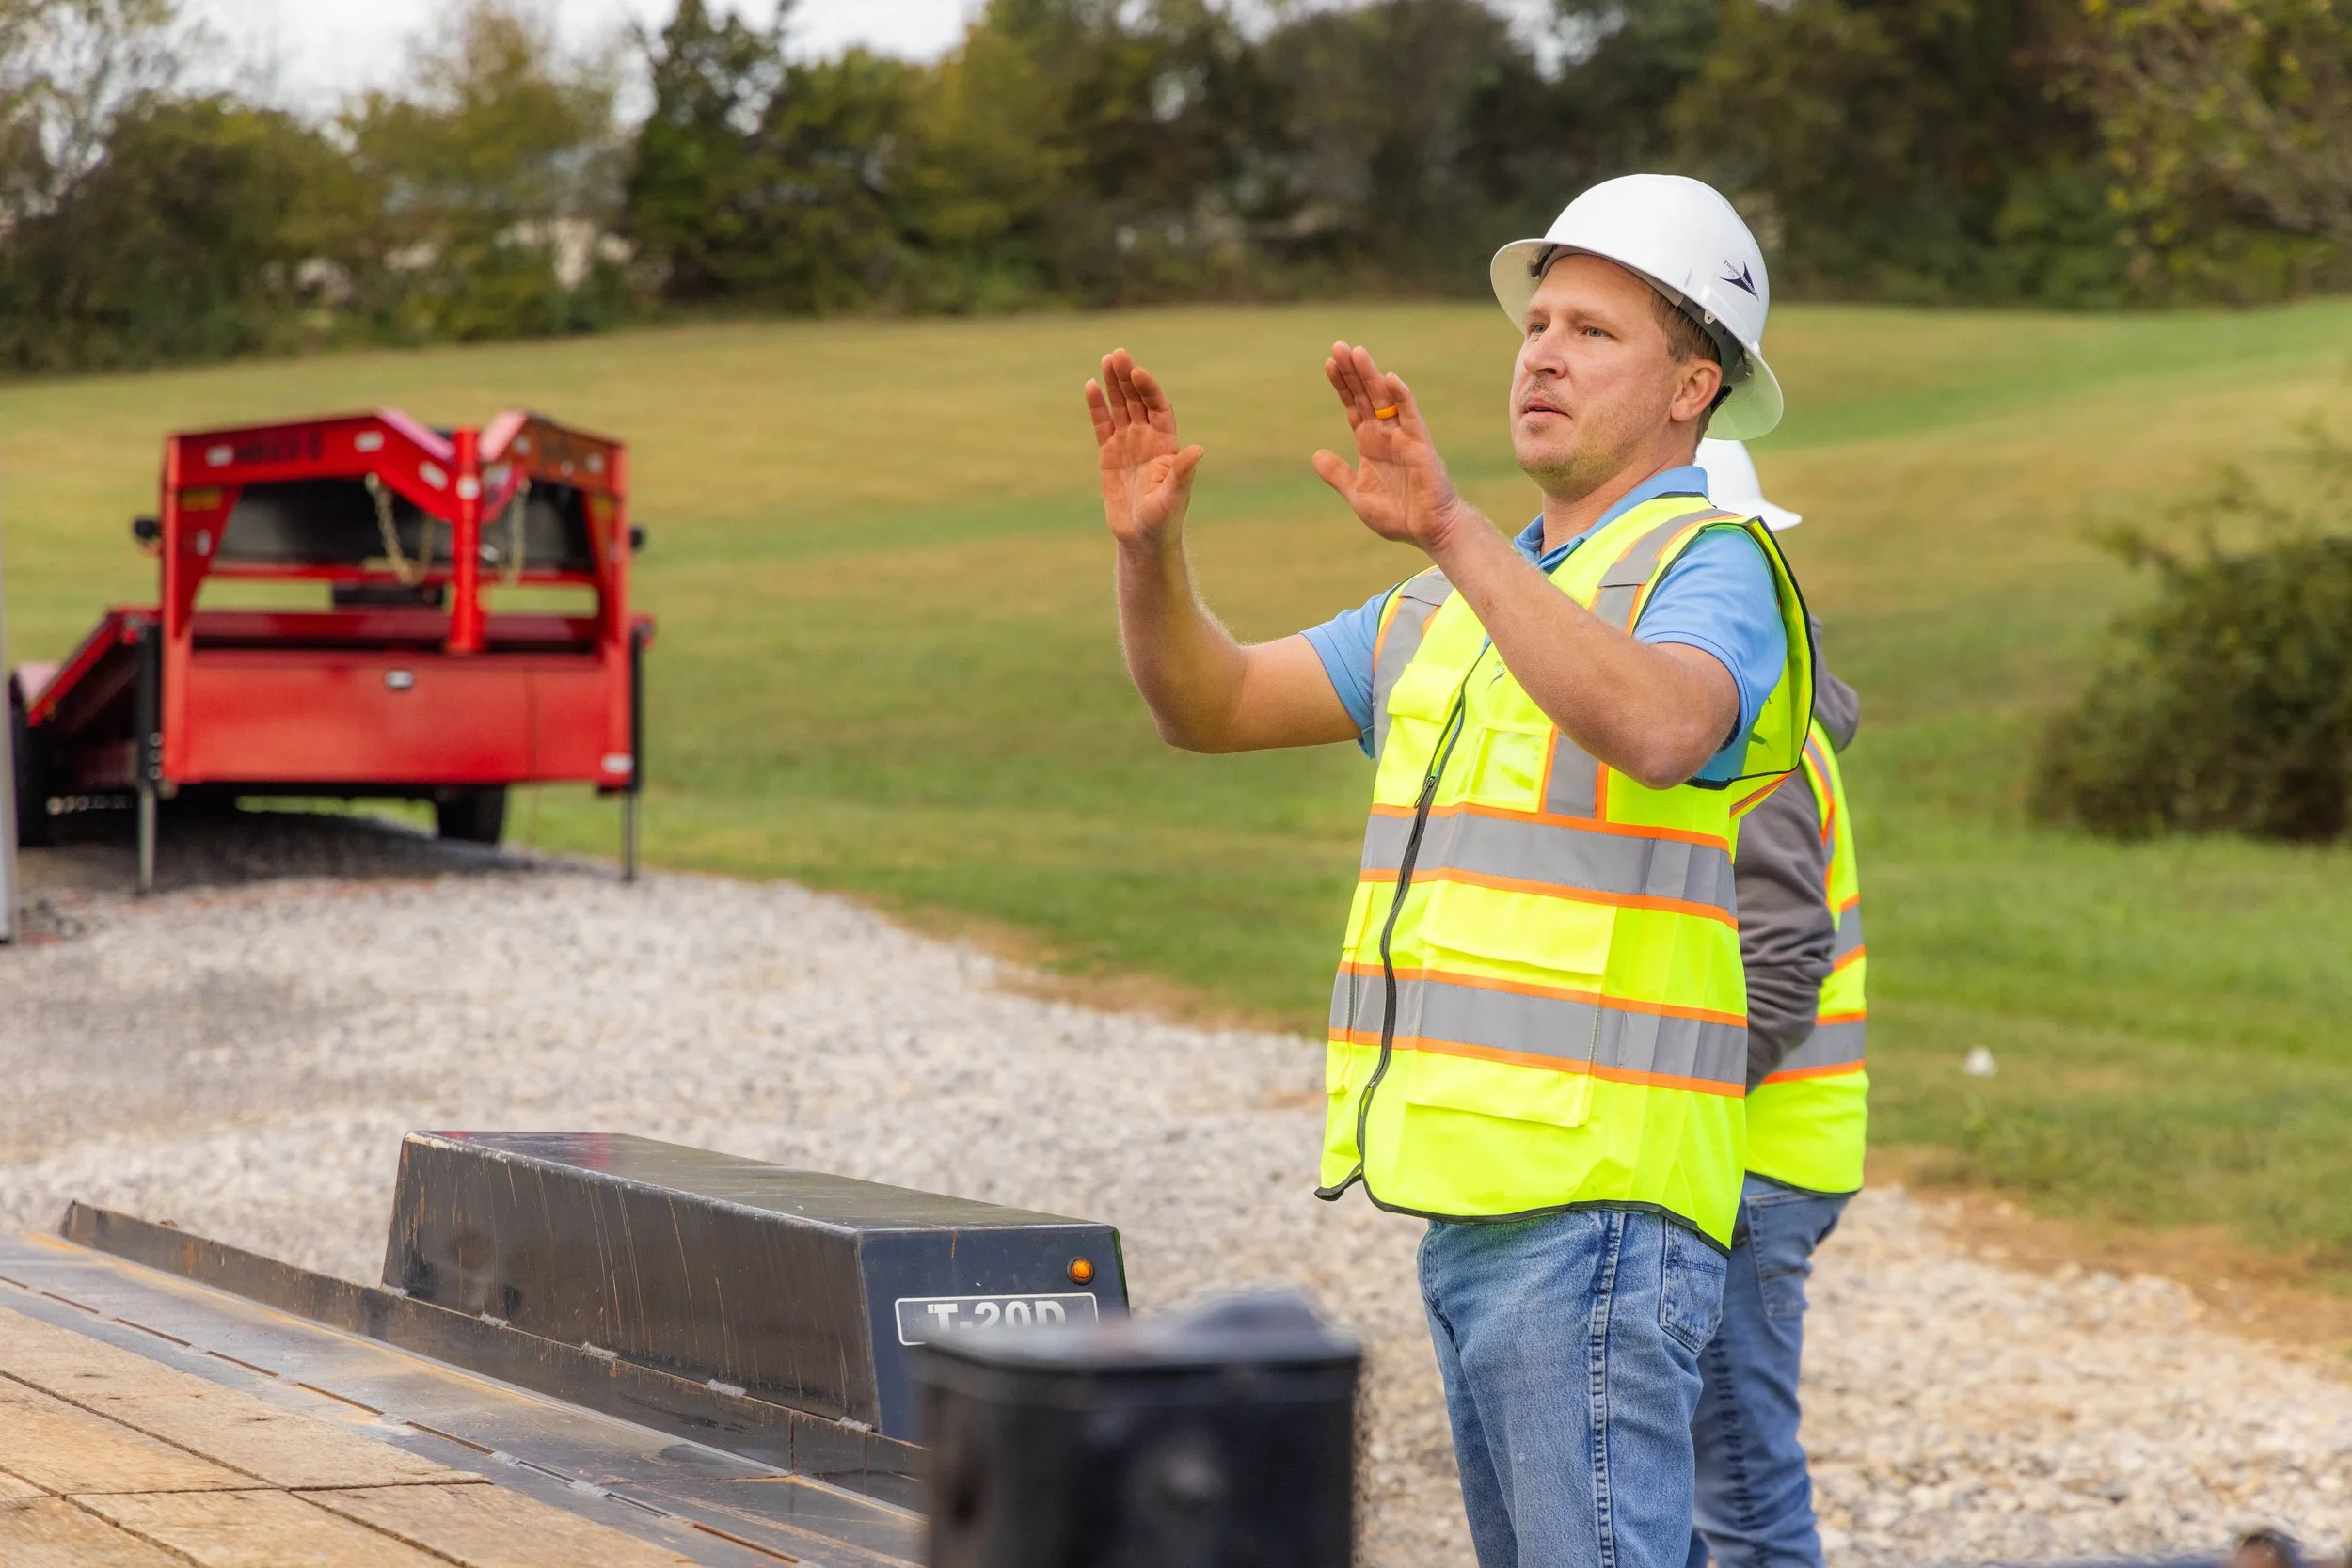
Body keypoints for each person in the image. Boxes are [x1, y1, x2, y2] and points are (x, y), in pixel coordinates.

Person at [1085, 173, 1814, 1568]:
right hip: (1478, 1205)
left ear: (1693, 386)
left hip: (1601, 1200)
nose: (1543, 353)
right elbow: (1210, 704)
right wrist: (1149, 553)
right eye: (1537, 324)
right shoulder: (1445, 605)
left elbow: (1663, 725)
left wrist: (1452, 527)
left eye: (1593, 331)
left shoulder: (1708, 559)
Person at [1683, 441, 1869, 1568]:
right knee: (1687, 1489)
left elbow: (1785, 958)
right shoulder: (1754, 718)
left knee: (1744, 1498)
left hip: (1748, 1162)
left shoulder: (1761, 737)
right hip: (1760, 1154)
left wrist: (1673, 1103)